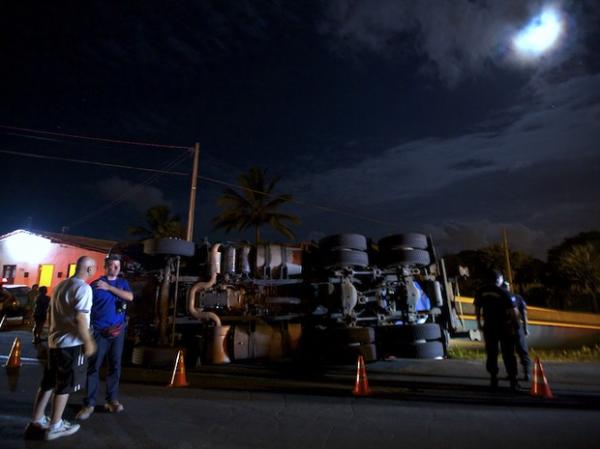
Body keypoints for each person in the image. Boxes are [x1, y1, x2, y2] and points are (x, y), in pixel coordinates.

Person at [24, 256, 97, 441]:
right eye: (94, 268)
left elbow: (50, 314)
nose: (94, 271)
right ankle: (55, 425)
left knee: (48, 382)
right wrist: (88, 342)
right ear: (88, 269)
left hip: (54, 343)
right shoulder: (84, 288)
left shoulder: (61, 285)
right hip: (70, 345)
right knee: (64, 385)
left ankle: (37, 419)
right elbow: (81, 318)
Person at [77, 254, 133, 420]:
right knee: (94, 368)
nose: (114, 268)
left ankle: (112, 400)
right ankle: (89, 404)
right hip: (99, 332)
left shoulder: (123, 284)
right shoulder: (94, 285)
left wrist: (109, 288)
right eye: (111, 265)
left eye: (117, 265)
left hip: (117, 332)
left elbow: (130, 297)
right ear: (105, 266)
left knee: (115, 366)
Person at [474, 269, 520, 391]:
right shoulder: (504, 292)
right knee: (509, 354)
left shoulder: (481, 291)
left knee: (492, 353)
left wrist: (479, 323)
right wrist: (516, 327)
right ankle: (513, 381)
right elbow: (513, 312)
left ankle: (493, 379)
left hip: (489, 327)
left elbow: (478, 309)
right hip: (504, 327)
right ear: (499, 279)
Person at [503, 281, 531, 381]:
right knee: (510, 352)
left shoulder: (516, 297)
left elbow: (524, 313)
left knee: (518, 351)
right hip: (512, 327)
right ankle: (513, 373)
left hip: (514, 327)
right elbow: (524, 314)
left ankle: (525, 372)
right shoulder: (514, 298)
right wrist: (525, 328)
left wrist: (525, 328)